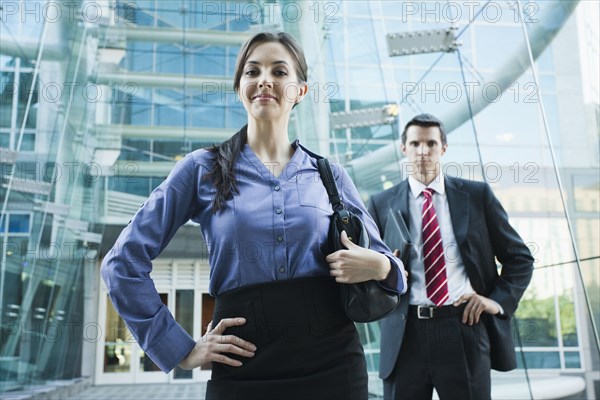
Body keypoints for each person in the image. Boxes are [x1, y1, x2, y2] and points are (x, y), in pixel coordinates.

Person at [101, 31, 406, 400]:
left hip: (333, 362)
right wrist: (180, 348)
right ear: (239, 87)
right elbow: (121, 262)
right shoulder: (201, 170)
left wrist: (380, 266)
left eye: (279, 72)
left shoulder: (330, 175)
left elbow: (394, 269)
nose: (265, 80)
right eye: (252, 71)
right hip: (243, 365)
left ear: (300, 91)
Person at [367, 113, 534, 400]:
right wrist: (384, 271)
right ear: (403, 148)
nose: (422, 151)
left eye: (431, 143)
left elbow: (520, 258)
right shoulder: (381, 204)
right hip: (405, 335)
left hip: (463, 327)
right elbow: (368, 272)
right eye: (415, 143)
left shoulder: (477, 195)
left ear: (443, 148)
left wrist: (495, 301)